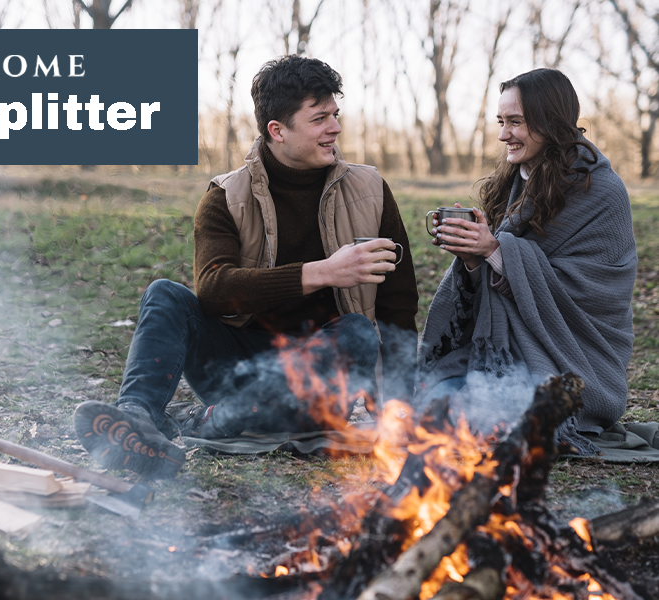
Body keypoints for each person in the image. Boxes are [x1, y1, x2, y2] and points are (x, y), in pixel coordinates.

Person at [73, 55, 419, 478]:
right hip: (236, 365)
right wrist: (325, 271)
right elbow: (215, 291)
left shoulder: (369, 190)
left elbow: (398, 304)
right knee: (165, 294)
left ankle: (211, 423)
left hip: (319, 377)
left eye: (335, 115)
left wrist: (398, 404)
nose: (335, 128)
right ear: (277, 130)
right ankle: (136, 420)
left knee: (358, 332)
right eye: (319, 119)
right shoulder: (225, 196)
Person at [417, 68, 636, 454]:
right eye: (501, 121)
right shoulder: (515, 183)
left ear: (550, 122)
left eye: (515, 122)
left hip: (570, 364)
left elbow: (590, 292)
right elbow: (495, 277)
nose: (504, 134)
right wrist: (472, 258)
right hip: (501, 358)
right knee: (434, 409)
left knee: (497, 426)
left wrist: (495, 251)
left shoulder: (600, 190)